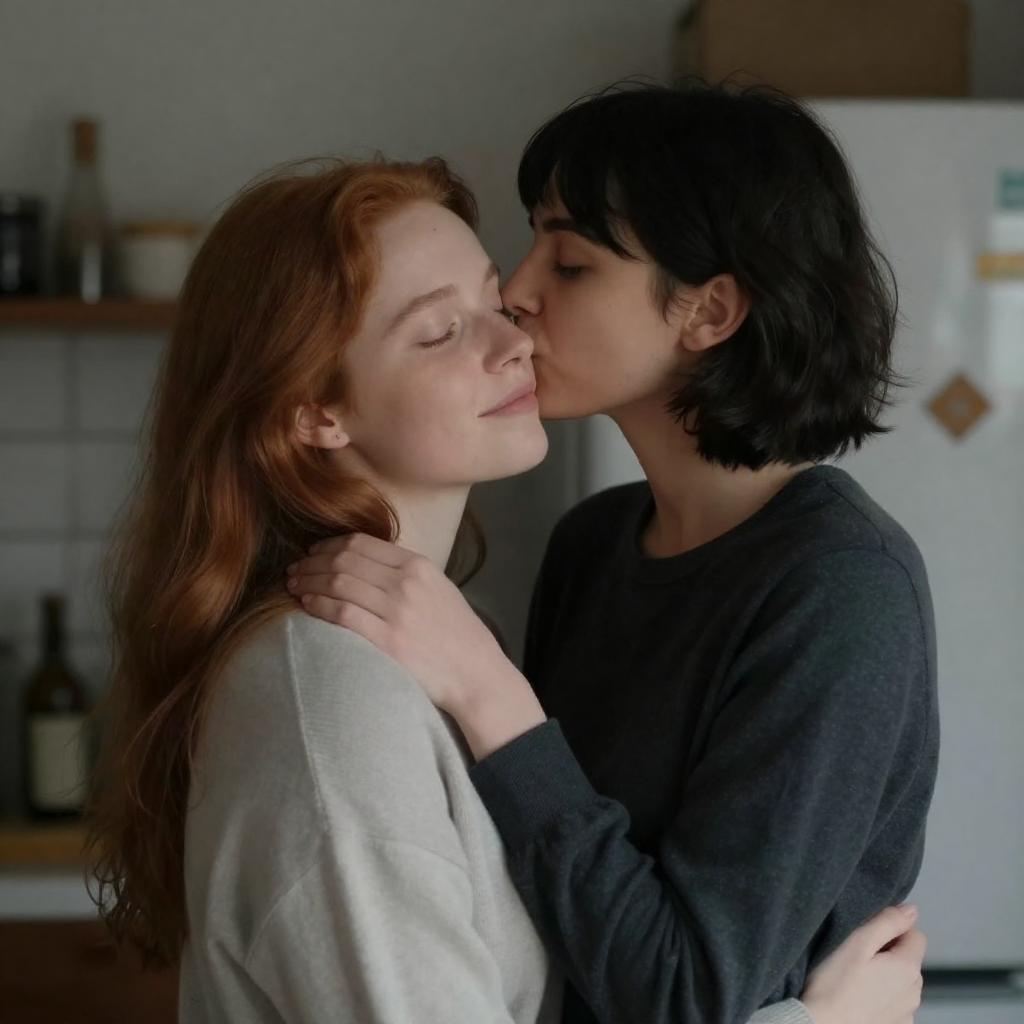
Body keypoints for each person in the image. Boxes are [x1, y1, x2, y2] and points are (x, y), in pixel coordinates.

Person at [84, 156, 923, 1024]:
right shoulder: (330, 695)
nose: (515, 337)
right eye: (440, 331)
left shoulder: (436, 644)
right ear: (315, 411)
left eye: (492, 301)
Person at [286, 82, 939, 1024]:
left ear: (710, 311)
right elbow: (535, 909)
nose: (517, 292)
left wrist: (489, 691)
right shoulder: (593, 543)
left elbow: (681, 993)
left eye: (572, 263)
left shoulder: (840, 588)